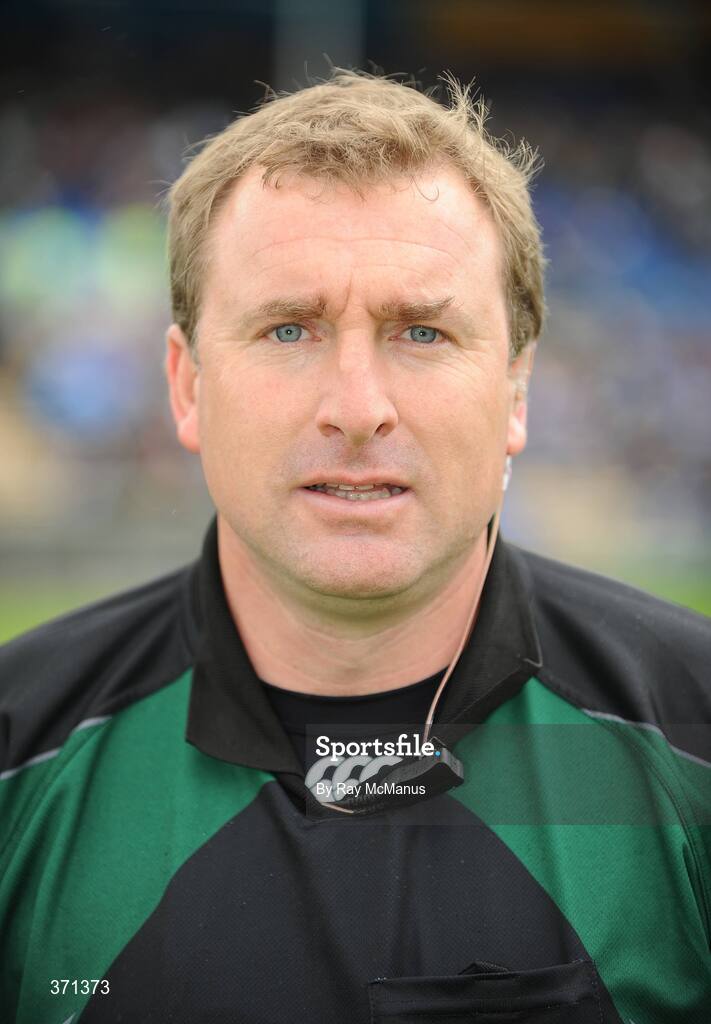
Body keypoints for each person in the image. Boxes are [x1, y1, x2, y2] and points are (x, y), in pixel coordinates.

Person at [1, 69, 709, 1024]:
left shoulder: (692, 737)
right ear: (186, 385)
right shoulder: (20, 752)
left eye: (421, 331)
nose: (357, 407)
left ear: (515, 391)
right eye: (288, 329)